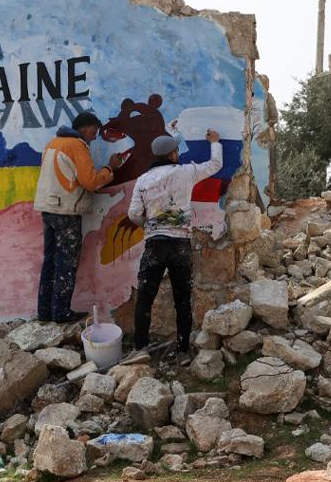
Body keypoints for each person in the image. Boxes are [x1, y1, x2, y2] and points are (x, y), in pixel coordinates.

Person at [127, 129, 223, 359]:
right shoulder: (185, 172)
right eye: (176, 150)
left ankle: (140, 348)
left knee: (145, 298)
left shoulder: (142, 180)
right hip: (180, 244)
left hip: (155, 245)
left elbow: (133, 214)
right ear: (171, 154)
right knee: (182, 299)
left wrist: (149, 226)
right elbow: (215, 165)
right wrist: (215, 142)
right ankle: (182, 352)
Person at [34, 111, 122, 323]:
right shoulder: (76, 145)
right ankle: (62, 312)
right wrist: (111, 168)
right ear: (83, 128)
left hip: (48, 208)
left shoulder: (53, 143)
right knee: (67, 262)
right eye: (93, 131)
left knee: (51, 261)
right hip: (66, 210)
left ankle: (45, 312)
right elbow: (90, 181)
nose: (94, 136)